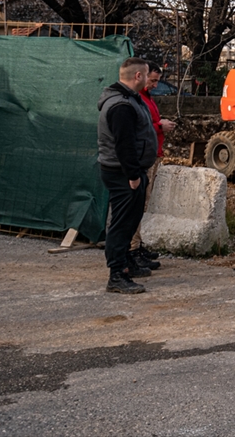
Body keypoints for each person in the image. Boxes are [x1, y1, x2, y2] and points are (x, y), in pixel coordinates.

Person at [97, 57, 159, 294]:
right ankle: (116, 274)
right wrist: (133, 175)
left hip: (129, 172)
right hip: (122, 174)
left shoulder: (130, 100)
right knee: (121, 225)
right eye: (146, 75)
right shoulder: (121, 106)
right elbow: (124, 144)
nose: (147, 79)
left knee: (130, 221)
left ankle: (125, 265)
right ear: (138, 76)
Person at [129, 62, 176, 270]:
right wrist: (160, 126)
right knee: (137, 204)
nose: (155, 85)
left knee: (143, 205)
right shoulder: (138, 99)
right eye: (153, 80)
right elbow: (141, 127)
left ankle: (137, 245)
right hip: (144, 158)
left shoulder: (147, 99)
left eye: (157, 81)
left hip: (152, 155)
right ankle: (132, 249)